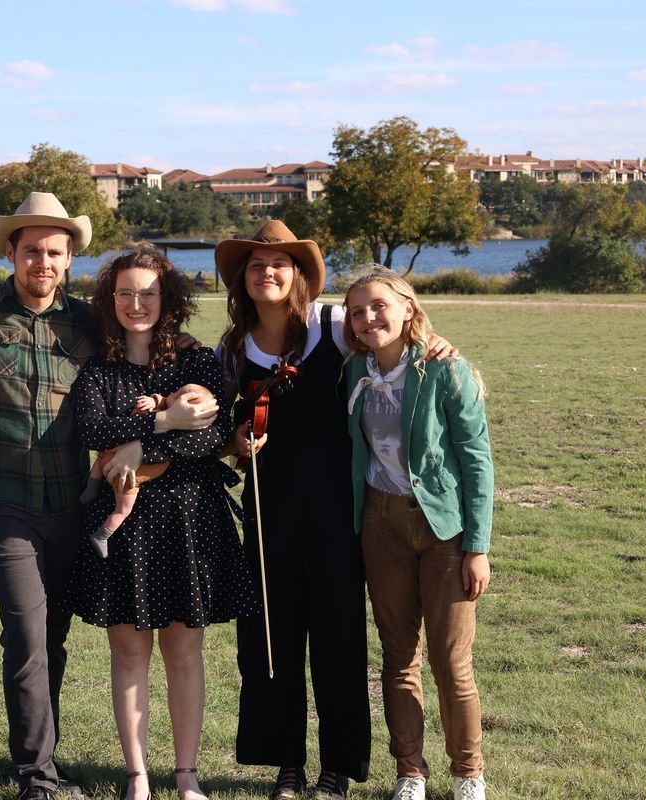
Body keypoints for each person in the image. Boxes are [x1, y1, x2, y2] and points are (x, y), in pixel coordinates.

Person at [215, 221, 455, 800]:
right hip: (269, 513)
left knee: (338, 640)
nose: (266, 272)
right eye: (255, 265)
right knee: (270, 640)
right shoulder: (231, 347)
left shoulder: (332, 326)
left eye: (279, 263)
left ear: (298, 274)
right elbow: (226, 435)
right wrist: (237, 443)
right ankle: (287, 764)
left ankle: (337, 767)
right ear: (242, 280)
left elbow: (396, 341)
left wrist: (436, 345)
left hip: (339, 514)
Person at [61, 250, 260, 800]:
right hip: (124, 529)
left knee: (184, 651)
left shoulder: (195, 363)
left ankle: (186, 775)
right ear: (110, 300)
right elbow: (96, 429)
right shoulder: (98, 371)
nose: (136, 303)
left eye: (148, 292)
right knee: (128, 652)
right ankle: (137, 776)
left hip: (189, 521)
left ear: (167, 299)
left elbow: (211, 435)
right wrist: (167, 420)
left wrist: (140, 440)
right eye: (124, 293)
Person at [342, 269, 492, 800]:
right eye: (357, 312)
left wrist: (478, 546)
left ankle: (468, 772)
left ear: (408, 308)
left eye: (379, 306)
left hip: (443, 529)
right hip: (379, 525)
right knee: (398, 654)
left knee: (450, 660)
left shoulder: (445, 371)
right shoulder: (351, 373)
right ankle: (411, 771)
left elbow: (477, 462)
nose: (368, 319)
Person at [0, 191, 95, 800]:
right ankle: (36, 776)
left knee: (54, 638)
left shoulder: (88, 322)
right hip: (3, 499)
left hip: (73, 502)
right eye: (31, 251)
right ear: (11, 254)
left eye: (54, 252)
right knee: (26, 633)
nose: (42, 262)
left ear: (69, 259)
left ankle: (43, 755)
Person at [79, 383, 213, 558]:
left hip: (117, 464)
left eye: (178, 393)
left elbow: (214, 436)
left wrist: (143, 446)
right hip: (126, 475)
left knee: (102, 462)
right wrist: (154, 404)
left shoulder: (187, 429)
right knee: (122, 510)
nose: (172, 391)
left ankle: (93, 496)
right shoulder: (161, 406)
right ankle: (102, 532)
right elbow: (159, 400)